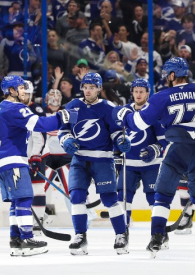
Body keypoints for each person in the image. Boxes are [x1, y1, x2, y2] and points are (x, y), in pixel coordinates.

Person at [113, 57, 195, 258]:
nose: (166, 78)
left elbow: (139, 123)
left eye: (168, 75)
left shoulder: (162, 96)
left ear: (173, 75)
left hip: (178, 147)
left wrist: (125, 116)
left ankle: (156, 239)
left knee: (163, 196)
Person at [0, 75, 74, 257]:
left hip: (1, 160)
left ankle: (15, 239)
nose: (24, 91)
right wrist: (61, 117)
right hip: (11, 160)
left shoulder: (1, 107)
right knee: (26, 196)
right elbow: (40, 124)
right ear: (11, 91)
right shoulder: (15, 108)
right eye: (20, 88)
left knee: (16, 200)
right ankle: (27, 238)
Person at [58, 72, 130, 256]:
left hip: (103, 158)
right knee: (76, 197)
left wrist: (121, 141)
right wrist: (66, 139)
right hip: (80, 158)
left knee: (109, 199)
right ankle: (80, 235)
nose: (88, 90)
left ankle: (121, 234)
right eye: (85, 87)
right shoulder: (74, 106)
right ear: (81, 88)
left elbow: (116, 132)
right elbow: (64, 129)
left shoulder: (108, 108)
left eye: (92, 87)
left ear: (99, 88)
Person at [116, 78, 167, 230]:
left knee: (154, 197)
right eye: (136, 91)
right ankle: (122, 231)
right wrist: (118, 150)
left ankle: (159, 233)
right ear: (132, 92)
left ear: (147, 93)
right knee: (123, 197)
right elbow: (116, 135)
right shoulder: (125, 111)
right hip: (129, 164)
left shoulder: (154, 112)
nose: (138, 95)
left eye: (141, 92)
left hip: (151, 164)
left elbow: (164, 140)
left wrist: (155, 149)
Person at [21, 80, 48, 235]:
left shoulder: (35, 110)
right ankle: (24, 223)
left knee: (38, 188)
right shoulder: (13, 110)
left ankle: (38, 221)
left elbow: (40, 137)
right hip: (19, 158)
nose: (24, 97)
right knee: (20, 192)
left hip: (35, 157)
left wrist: (35, 157)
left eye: (26, 94)